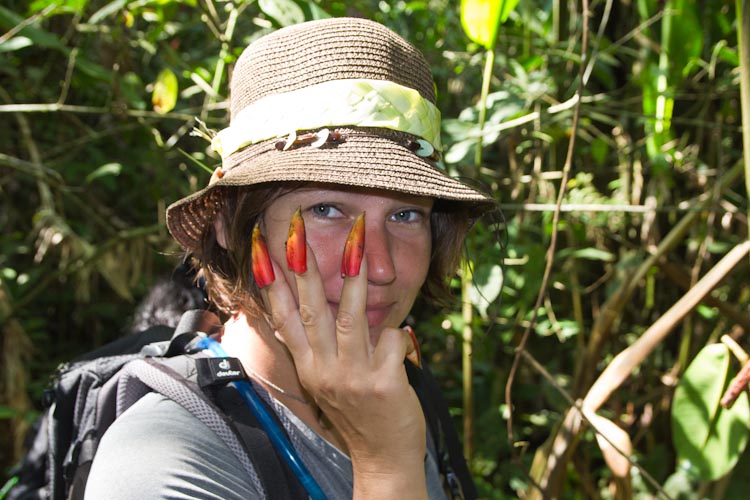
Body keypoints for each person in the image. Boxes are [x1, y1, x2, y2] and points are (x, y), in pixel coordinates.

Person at [84, 17, 496, 500]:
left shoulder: (393, 397)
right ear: (227, 225)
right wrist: (385, 466)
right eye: (326, 210)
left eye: (406, 215)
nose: (380, 268)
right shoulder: (161, 462)